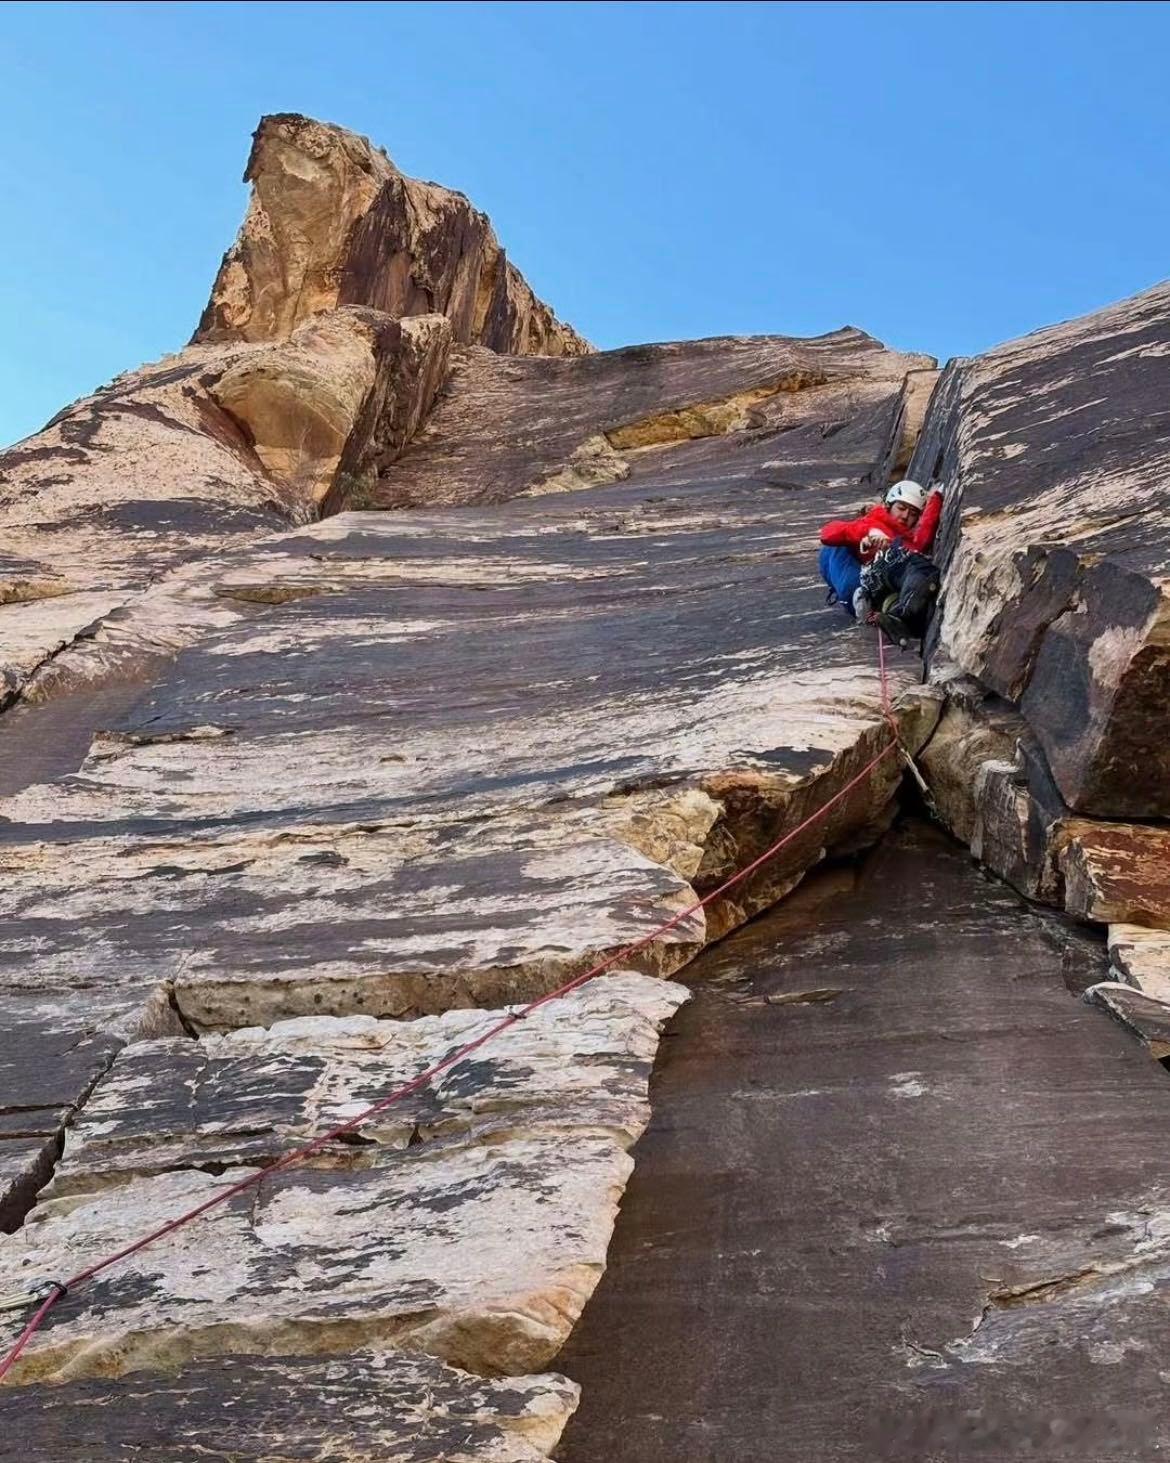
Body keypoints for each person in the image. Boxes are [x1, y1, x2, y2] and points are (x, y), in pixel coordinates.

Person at [818, 479, 942, 622]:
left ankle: (886, 610)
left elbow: (924, 534)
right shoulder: (872, 521)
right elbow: (828, 534)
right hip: (846, 569)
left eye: (913, 513)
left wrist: (937, 498)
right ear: (889, 506)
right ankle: (859, 599)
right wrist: (870, 532)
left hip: (876, 580)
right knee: (839, 548)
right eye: (901, 508)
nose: (905, 516)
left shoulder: (907, 542)